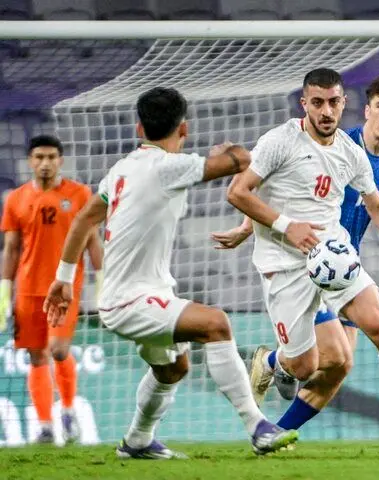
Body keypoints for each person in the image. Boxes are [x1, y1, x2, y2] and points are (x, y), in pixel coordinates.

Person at [44, 87, 298, 458]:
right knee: (215, 324)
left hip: (139, 293)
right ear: (184, 129)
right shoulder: (170, 167)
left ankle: (137, 441)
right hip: (129, 300)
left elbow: (84, 219)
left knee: (173, 369)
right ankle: (257, 426)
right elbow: (240, 160)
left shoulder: (121, 169)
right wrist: (227, 151)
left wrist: (64, 278)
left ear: (138, 128)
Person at [225, 68, 379, 446]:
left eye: (333, 102)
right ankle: (275, 362)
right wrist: (251, 227)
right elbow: (257, 190)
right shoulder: (285, 141)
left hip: (339, 260)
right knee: (317, 363)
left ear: (344, 103)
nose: (326, 110)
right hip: (289, 266)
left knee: (376, 334)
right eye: (318, 102)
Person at [0, 135, 103, 444]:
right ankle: (45, 425)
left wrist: (102, 281)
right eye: (39, 157)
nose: (45, 163)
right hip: (28, 290)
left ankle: (68, 410)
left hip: (65, 289)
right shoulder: (15, 199)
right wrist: (5, 290)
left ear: (61, 160)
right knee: (36, 357)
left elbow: (92, 240)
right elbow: (11, 249)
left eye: (51, 157)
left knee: (58, 350)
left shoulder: (80, 194)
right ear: (30, 161)